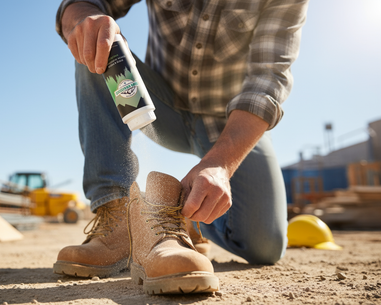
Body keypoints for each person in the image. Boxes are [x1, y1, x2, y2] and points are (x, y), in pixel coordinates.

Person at [53, 0, 309, 291]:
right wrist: (84, 16)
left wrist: (221, 164)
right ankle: (117, 218)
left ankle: (177, 216)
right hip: (161, 106)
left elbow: (267, 80)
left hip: (230, 122)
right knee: (98, 46)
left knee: (264, 245)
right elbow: (84, 4)